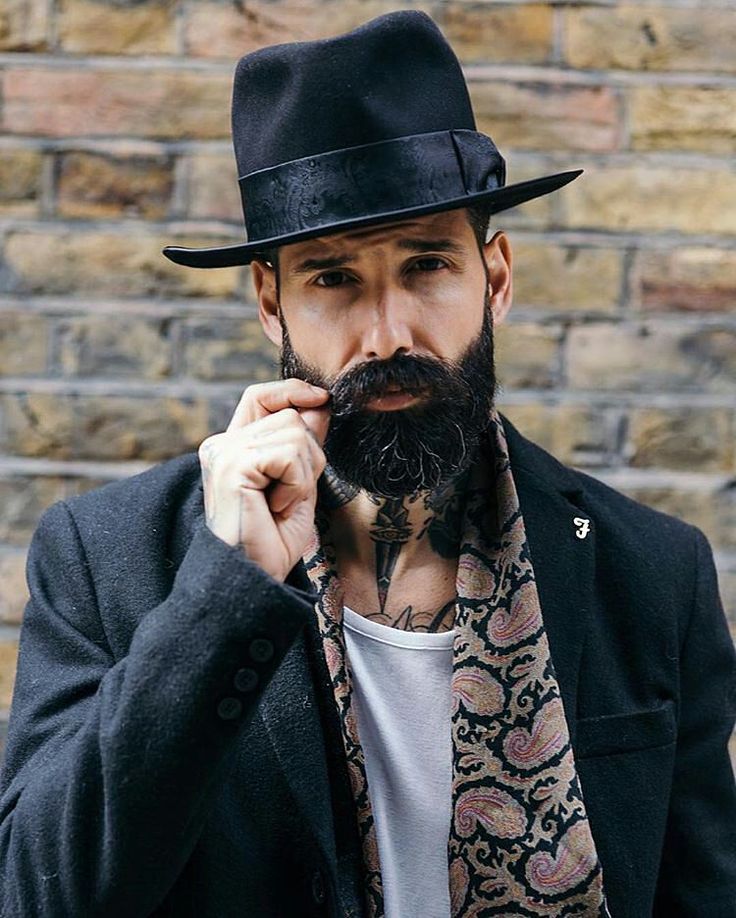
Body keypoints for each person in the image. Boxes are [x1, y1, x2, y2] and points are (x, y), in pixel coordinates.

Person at [0, 9, 734, 918]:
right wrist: (224, 593)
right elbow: (36, 894)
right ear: (270, 303)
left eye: (426, 265)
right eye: (333, 278)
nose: (387, 334)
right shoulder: (105, 558)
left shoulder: (653, 571)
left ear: (495, 278)